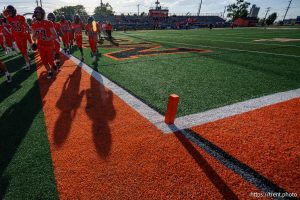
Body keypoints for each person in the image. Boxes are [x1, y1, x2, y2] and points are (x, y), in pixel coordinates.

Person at [31, 6, 58, 79]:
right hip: (40, 46)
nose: (38, 15)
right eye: (37, 13)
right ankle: (49, 72)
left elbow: (55, 35)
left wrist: (48, 39)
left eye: (39, 13)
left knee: (50, 61)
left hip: (49, 45)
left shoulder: (49, 22)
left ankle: (54, 65)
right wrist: (34, 41)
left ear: (42, 14)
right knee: (44, 61)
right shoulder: (34, 24)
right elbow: (33, 36)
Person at [6, 5, 31, 70]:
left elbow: (26, 24)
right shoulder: (8, 18)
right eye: (8, 12)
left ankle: (28, 64)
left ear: (13, 11)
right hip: (16, 37)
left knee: (24, 52)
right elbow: (7, 24)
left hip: (23, 36)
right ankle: (28, 59)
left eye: (10, 11)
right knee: (22, 52)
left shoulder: (20, 17)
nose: (9, 13)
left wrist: (28, 29)